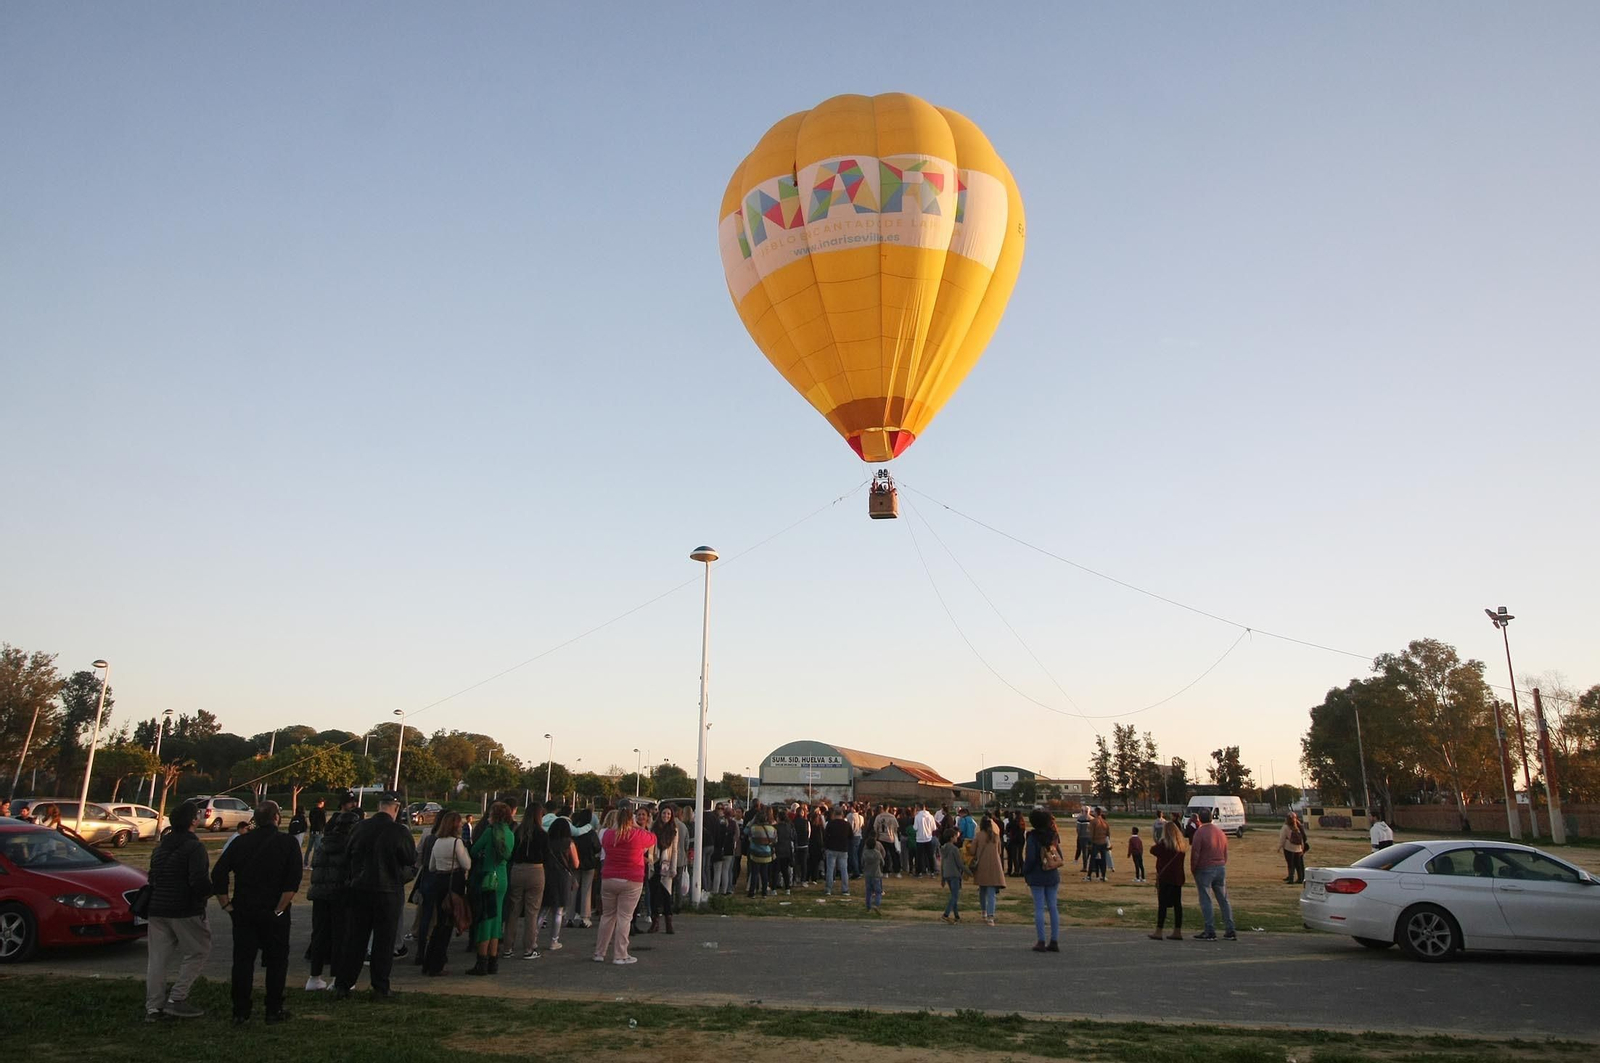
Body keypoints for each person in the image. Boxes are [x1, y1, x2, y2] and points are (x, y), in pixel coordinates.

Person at [210, 801, 302, 1025]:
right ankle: (274, 1009)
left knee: (242, 962)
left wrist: (226, 904)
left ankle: (240, 1011)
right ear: (277, 818)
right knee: (277, 962)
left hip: (243, 910)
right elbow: (292, 882)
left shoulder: (241, 842)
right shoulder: (288, 843)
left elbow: (218, 873)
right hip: (274, 911)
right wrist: (280, 909)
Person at [337, 792, 417, 997]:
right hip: (388, 891)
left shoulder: (360, 827)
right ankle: (380, 986)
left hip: (360, 889)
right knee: (384, 941)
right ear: (396, 808)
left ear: (379, 806)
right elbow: (409, 858)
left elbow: (347, 856)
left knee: (355, 939)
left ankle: (344, 984)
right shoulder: (400, 831)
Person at [143, 801, 211, 1021]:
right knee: (198, 951)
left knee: (157, 960)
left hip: (157, 908)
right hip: (184, 909)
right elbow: (198, 880)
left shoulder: (160, 848)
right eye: (197, 814)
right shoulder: (195, 847)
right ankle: (177, 998)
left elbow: (153, 877)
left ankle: (153, 1008)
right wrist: (210, 894)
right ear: (193, 821)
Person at [304, 790, 358, 990]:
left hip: (320, 894)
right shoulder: (348, 848)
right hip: (340, 895)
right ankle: (337, 978)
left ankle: (314, 976)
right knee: (340, 936)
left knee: (319, 934)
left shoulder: (323, 846)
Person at [595, 802, 654, 964]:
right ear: (631, 820)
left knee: (607, 916)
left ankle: (600, 952)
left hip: (608, 877)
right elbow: (652, 838)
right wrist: (638, 826)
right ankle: (620, 954)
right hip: (631, 879)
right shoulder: (637, 835)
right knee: (624, 918)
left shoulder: (607, 835)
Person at [420, 811, 471, 975]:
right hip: (453, 882)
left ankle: (429, 962)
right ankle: (437, 964)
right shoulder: (456, 843)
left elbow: (431, 866)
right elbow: (466, 864)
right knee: (448, 924)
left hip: (439, 881)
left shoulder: (437, 842)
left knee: (439, 923)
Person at [467, 801, 514, 976]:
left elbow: (474, 850)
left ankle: (482, 961)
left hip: (488, 877)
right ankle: (493, 960)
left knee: (485, 920)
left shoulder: (490, 832)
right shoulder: (510, 833)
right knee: (497, 918)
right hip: (502, 877)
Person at [503, 807, 548, 960]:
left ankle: (507, 946)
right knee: (532, 912)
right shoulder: (542, 834)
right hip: (535, 870)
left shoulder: (517, 832)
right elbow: (547, 855)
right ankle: (529, 947)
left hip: (517, 869)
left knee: (513, 910)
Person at [1189, 810, 1236, 941]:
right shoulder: (1220, 832)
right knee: (1223, 899)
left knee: (1206, 899)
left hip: (1205, 868)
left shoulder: (1200, 832)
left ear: (1200, 819)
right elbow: (1225, 852)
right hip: (1220, 866)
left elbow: (1196, 853)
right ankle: (1230, 929)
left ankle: (1210, 930)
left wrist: (1193, 868)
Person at [1022, 808, 1061, 952]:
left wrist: (1025, 871)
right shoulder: (1053, 836)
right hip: (1052, 874)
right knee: (1053, 907)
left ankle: (1041, 940)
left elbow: (1031, 858)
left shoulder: (1032, 837)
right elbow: (1058, 854)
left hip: (1037, 876)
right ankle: (1054, 940)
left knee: (1039, 908)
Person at [542, 810, 577, 951]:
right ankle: (553, 940)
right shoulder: (569, 843)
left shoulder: (546, 841)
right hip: (563, 876)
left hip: (547, 874)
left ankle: (533, 937)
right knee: (558, 910)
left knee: (543, 909)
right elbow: (576, 863)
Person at [1149, 819, 1187, 940]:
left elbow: (1152, 850)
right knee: (1177, 904)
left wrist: (1159, 840)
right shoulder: (1181, 847)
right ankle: (1177, 930)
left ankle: (1159, 930)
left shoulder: (1164, 845)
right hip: (1177, 877)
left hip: (1165, 877)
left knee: (1162, 904)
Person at [650, 806, 682, 932]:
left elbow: (674, 850)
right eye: (664, 813)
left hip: (666, 863)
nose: (666, 816)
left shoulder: (673, 830)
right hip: (655, 862)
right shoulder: (654, 827)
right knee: (654, 894)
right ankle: (655, 922)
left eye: (669, 814)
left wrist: (674, 867)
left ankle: (668, 922)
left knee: (666, 894)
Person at [972, 813, 1005, 927]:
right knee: (991, 893)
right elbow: (1000, 851)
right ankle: (991, 916)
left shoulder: (978, 835)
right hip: (994, 865)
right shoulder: (996, 836)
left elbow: (972, 851)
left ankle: (984, 912)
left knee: (982, 890)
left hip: (982, 865)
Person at [571, 809, 600, 927]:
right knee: (586, 890)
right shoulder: (591, 832)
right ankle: (585, 917)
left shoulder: (574, 831)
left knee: (573, 889)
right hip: (588, 862)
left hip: (575, 863)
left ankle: (569, 916)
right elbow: (597, 847)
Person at [745, 806, 775, 898]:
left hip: (755, 853)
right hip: (767, 853)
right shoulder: (771, 828)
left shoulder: (754, 828)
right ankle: (764, 893)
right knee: (764, 874)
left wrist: (751, 822)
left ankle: (752, 892)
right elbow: (775, 839)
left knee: (754, 873)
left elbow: (746, 831)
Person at [822, 806, 852, 896]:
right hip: (843, 849)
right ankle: (845, 889)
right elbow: (851, 836)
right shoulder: (847, 824)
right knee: (844, 870)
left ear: (834, 814)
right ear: (842, 814)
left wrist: (826, 847)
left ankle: (828, 889)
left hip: (831, 848)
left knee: (830, 869)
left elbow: (825, 836)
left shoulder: (830, 824)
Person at [939, 826, 966, 922]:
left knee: (953, 895)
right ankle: (946, 914)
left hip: (947, 874)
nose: (957, 838)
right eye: (955, 836)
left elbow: (942, 864)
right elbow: (959, 864)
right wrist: (968, 871)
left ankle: (957, 916)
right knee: (954, 896)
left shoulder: (943, 848)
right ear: (951, 838)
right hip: (954, 874)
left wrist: (942, 878)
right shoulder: (954, 849)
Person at [1279, 812, 1308, 884]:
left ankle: (1291, 878)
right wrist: (1302, 846)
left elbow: (1282, 838)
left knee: (1290, 863)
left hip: (1289, 847)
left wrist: (1280, 847)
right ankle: (1300, 878)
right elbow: (1303, 837)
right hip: (1298, 848)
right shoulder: (1298, 826)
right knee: (1298, 864)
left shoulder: (1285, 827)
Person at [772, 806, 795, 894]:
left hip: (778, 850)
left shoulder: (775, 827)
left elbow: (774, 839)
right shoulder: (789, 827)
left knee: (776, 871)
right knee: (785, 871)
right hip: (787, 850)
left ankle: (774, 889)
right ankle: (787, 889)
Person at [860, 834, 885, 913]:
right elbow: (882, 862)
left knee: (868, 892)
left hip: (868, 875)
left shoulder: (865, 853)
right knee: (878, 891)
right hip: (876, 874)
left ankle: (868, 907)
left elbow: (862, 863)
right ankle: (876, 904)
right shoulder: (877, 853)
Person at [912, 803, 938, 877]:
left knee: (919, 856)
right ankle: (932, 871)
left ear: (918, 808)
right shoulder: (930, 816)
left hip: (920, 839)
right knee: (930, 856)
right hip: (928, 838)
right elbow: (934, 828)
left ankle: (919, 872)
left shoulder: (917, 817)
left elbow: (915, 828)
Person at [1088, 808, 1110, 882]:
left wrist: (1090, 843)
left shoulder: (1093, 821)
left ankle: (1089, 876)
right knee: (1103, 860)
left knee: (1092, 859)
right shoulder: (1105, 822)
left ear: (1096, 813)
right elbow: (1108, 834)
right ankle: (1103, 876)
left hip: (1096, 842)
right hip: (1103, 842)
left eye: (1094, 812)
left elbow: (1091, 833)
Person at [306, 798, 327, 867]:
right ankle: (313, 863)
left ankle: (305, 862)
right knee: (316, 848)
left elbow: (310, 819)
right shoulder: (322, 811)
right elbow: (324, 821)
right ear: (321, 803)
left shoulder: (312, 810)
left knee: (309, 848)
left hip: (312, 830)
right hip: (319, 831)